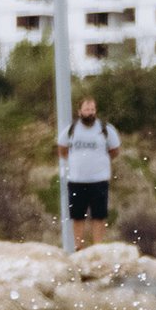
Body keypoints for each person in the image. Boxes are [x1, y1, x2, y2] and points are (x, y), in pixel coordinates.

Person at [56, 97, 119, 248]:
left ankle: (98, 246)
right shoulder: (71, 130)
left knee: (99, 215)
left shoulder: (105, 129)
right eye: (86, 109)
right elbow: (62, 148)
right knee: (77, 216)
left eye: (92, 109)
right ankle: (79, 246)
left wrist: (100, 161)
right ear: (80, 112)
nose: (90, 113)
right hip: (76, 180)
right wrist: (74, 161)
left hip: (99, 180)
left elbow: (115, 150)